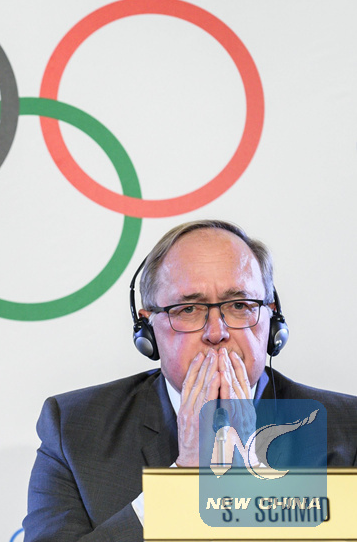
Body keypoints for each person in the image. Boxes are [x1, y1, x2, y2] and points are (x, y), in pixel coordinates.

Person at [22, 219, 357, 541]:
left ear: (272, 319)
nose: (216, 332)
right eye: (188, 310)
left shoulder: (348, 429)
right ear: (147, 330)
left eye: (240, 305)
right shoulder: (73, 428)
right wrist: (184, 476)